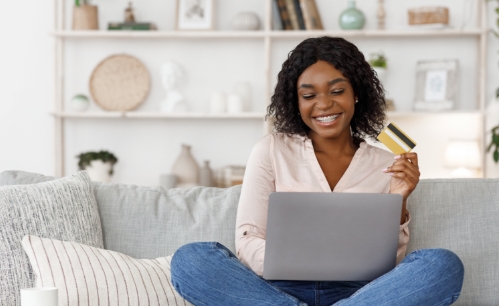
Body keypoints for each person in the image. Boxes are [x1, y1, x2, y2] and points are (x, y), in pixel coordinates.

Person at [170, 36, 464, 306]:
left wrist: (399, 197)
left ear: (356, 94)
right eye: (309, 96)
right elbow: (248, 239)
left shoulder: (385, 164)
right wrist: (288, 263)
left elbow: (390, 261)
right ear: (295, 102)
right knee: (191, 260)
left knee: (442, 266)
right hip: (277, 291)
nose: (323, 104)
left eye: (337, 91)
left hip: (359, 294)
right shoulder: (271, 149)